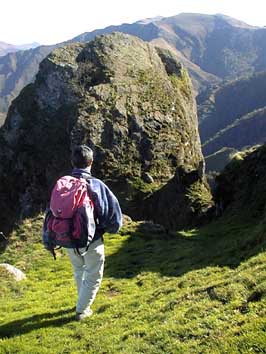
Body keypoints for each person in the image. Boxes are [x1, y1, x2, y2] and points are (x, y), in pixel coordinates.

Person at [68, 145, 122, 321]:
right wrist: (111, 229)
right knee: (93, 274)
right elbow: (112, 212)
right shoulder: (96, 185)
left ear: (72, 162)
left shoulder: (64, 184)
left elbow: (51, 212)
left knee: (79, 270)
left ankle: (81, 301)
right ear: (91, 162)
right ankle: (82, 310)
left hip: (69, 239)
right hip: (92, 239)